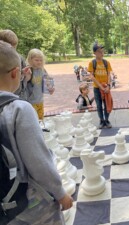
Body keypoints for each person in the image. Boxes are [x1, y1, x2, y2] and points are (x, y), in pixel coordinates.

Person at [0, 40, 73, 224]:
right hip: (24, 202)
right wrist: (60, 193)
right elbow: (38, 161)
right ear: (16, 73)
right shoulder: (18, 110)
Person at [0, 29, 31, 100]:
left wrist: (22, 73)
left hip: (19, 96)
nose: (12, 52)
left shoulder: (19, 58)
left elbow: (24, 80)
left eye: (14, 48)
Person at [88, 44, 113, 129]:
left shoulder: (106, 63)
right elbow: (92, 76)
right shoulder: (92, 63)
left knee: (107, 104)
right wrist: (100, 87)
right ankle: (101, 120)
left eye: (102, 51)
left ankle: (107, 120)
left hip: (106, 87)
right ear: (95, 53)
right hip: (97, 88)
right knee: (99, 105)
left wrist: (108, 86)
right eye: (99, 51)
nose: (102, 53)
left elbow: (109, 75)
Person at [26, 48, 55, 120]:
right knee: (33, 121)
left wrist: (50, 89)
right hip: (30, 102)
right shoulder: (28, 70)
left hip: (40, 100)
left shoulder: (42, 69)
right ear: (30, 59)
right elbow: (23, 83)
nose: (39, 62)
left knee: (41, 119)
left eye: (41, 60)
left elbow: (47, 81)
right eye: (36, 60)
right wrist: (26, 76)